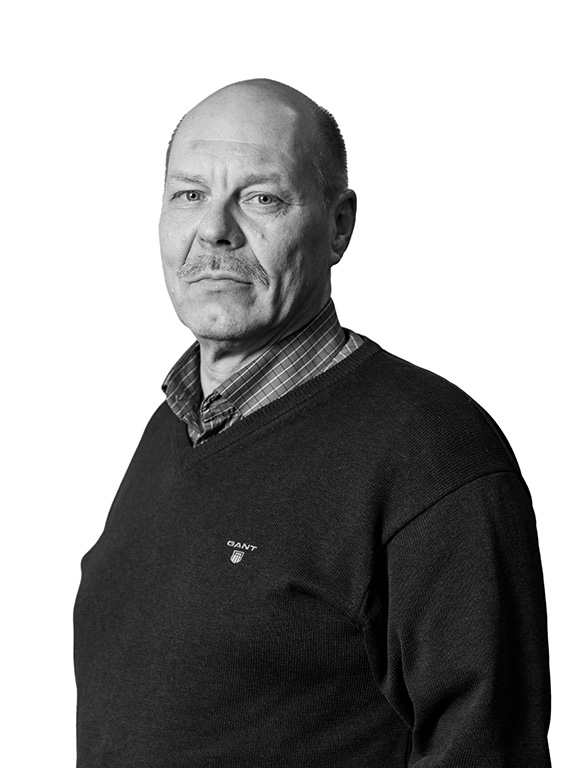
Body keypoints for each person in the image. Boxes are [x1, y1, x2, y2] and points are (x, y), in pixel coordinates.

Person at [74, 79, 551, 767]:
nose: (215, 230)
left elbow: (488, 749)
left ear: (339, 225)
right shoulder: (170, 427)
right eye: (189, 194)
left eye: (261, 198)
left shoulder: (431, 453)